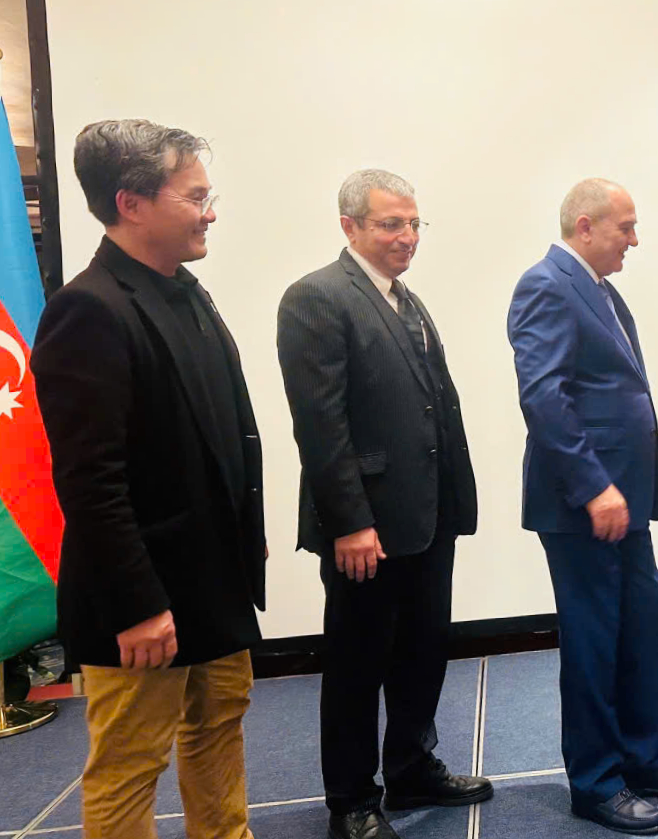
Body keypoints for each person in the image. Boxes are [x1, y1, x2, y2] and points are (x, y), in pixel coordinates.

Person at [31, 119, 266, 839]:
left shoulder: (186, 292)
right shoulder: (89, 309)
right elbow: (89, 480)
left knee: (219, 727)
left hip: (212, 580)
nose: (210, 213)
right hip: (143, 597)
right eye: (195, 197)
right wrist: (137, 604)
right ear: (131, 203)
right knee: (131, 763)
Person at [276, 170, 489, 839]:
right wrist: (350, 522)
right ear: (350, 226)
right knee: (357, 665)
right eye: (391, 224)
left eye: (414, 223)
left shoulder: (405, 300)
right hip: (365, 528)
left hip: (427, 518)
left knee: (423, 652)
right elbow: (321, 424)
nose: (407, 236)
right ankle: (350, 801)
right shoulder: (316, 297)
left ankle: (412, 767)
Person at [507, 178, 658, 836]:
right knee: (595, 642)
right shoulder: (545, 284)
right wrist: (593, 484)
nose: (634, 239)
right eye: (626, 227)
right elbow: (544, 396)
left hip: (624, 502)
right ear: (586, 225)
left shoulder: (602, 290)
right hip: (583, 504)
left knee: (640, 626)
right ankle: (596, 783)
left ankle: (642, 758)